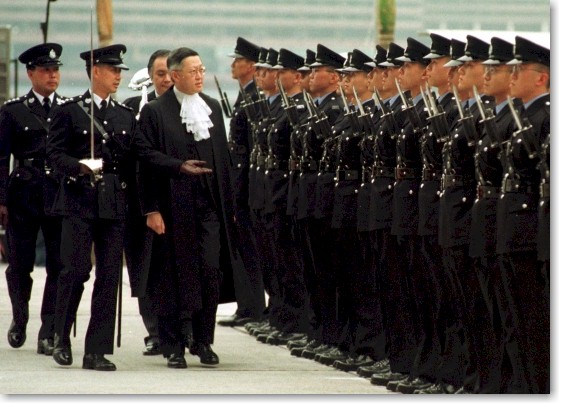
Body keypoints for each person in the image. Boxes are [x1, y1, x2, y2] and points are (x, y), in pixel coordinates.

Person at [134, 47, 237, 369]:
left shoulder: (213, 107)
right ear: (175, 76)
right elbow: (143, 158)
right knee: (172, 276)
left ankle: (203, 341)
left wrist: (229, 206)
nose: (199, 76)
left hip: (208, 205)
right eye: (193, 71)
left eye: (202, 70)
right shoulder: (155, 111)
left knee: (209, 271)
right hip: (171, 204)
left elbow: (224, 160)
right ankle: (173, 344)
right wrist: (151, 207)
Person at [47, 44, 136, 371]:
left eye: (120, 71)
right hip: (79, 201)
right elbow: (54, 157)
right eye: (113, 70)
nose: (117, 77)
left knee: (109, 275)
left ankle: (96, 350)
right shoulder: (70, 111)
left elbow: (134, 159)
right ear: (96, 71)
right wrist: (80, 166)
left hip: (112, 203)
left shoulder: (125, 115)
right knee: (74, 271)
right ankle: (61, 336)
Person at [0, 43, 66, 355]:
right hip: (24, 195)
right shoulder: (13, 110)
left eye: (56, 70)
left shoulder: (68, 109)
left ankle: (48, 329)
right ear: (31, 73)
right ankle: (20, 316)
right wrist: (1, 200)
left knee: (58, 263)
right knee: (19, 264)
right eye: (45, 70)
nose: (52, 75)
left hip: (58, 194)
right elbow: (1, 160)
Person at [498, 36, 550, 393]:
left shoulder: (545, 117)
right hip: (517, 223)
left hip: (532, 225)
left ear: (541, 78)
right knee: (515, 316)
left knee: (534, 318)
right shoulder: (524, 116)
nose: (511, 76)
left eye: (520, 70)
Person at [122, 49, 172, 356]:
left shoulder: (192, 107)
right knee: (144, 268)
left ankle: (181, 330)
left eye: (170, 73)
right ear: (151, 77)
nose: (166, 80)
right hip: (138, 200)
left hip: (177, 200)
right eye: (160, 74)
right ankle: (154, 331)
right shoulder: (132, 108)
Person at [217, 37, 266, 328]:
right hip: (240, 179)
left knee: (251, 246)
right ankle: (248, 304)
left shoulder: (255, 97)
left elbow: (250, 148)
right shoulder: (244, 95)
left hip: (248, 182)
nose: (234, 66)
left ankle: (254, 306)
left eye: (239, 61)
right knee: (243, 246)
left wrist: (241, 189)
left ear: (252, 66)